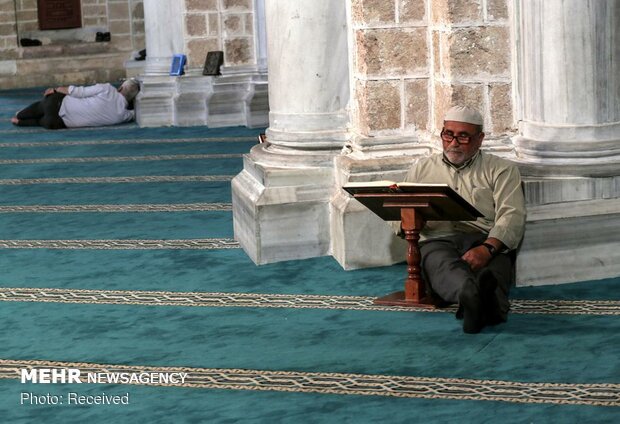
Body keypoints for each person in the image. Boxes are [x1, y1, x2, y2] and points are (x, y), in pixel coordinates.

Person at [395, 105, 526, 334]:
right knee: (443, 266)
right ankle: (476, 299)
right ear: (442, 135)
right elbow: (398, 213)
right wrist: (412, 222)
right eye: (448, 134)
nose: (454, 142)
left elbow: (512, 215)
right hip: (438, 239)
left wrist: (487, 249)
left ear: (480, 139)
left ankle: (474, 305)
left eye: (463, 136)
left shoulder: (502, 170)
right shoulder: (421, 169)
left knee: (493, 273)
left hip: (484, 239)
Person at [10, 79, 140, 129]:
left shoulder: (108, 89)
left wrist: (55, 89)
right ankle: (19, 122)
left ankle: (20, 115)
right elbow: (135, 114)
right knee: (41, 122)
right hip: (56, 123)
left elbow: (78, 92)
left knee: (43, 104)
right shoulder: (124, 116)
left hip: (56, 104)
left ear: (120, 88)